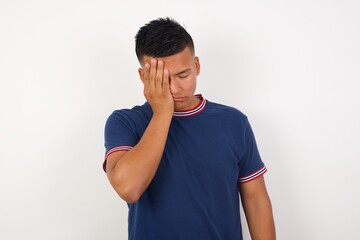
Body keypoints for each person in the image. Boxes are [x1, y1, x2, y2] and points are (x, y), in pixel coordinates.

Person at [103, 17, 276, 240]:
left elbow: (255, 200)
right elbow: (128, 188)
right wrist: (163, 112)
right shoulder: (125, 122)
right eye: (163, 79)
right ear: (144, 77)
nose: (175, 88)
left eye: (183, 75)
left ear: (196, 66)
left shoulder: (234, 122)